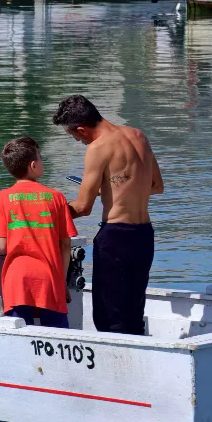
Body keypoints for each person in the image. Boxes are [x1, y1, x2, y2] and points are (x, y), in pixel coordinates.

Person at [52, 95, 163, 335]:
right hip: (144, 235)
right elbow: (156, 186)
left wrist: (46, 214)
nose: (78, 141)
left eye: (75, 137)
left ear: (81, 129)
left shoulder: (98, 148)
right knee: (133, 312)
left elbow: (83, 207)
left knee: (108, 316)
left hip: (116, 237)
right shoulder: (139, 135)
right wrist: (110, 189)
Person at [0, 136, 78, 328]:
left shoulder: (1, 198)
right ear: (33, 165)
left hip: (17, 282)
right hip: (50, 280)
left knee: (19, 343)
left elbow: (1, 245)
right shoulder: (56, 198)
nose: (42, 161)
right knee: (58, 342)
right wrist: (61, 282)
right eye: (40, 157)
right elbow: (65, 245)